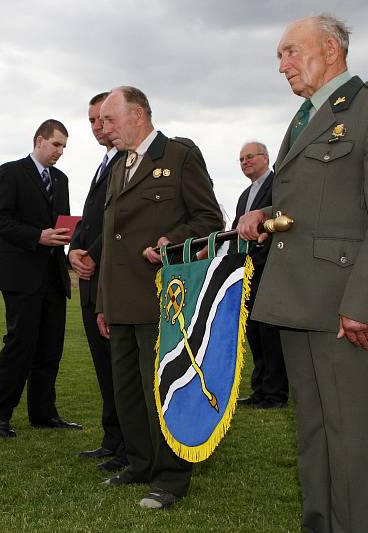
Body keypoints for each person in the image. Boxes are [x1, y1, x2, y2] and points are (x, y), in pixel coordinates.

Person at [237, 14, 368, 533]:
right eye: (279, 56)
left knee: (355, 440)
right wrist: (262, 216)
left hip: (347, 309)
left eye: (290, 52)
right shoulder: (304, 118)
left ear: (332, 50)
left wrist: (365, 303)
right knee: (314, 434)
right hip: (299, 303)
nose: (282, 65)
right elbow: (315, 212)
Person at [96, 86, 223, 509]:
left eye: (111, 120)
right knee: (127, 391)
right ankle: (140, 463)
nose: (104, 128)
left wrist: (174, 241)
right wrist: (103, 303)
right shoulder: (118, 166)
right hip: (120, 300)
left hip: (162, 297)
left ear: (138, 115)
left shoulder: (179, 156)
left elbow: (208, 218)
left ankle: (171, 477)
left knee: (161, 391)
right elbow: (111, 242)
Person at [0, 119, 82, 438]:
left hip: (54, 275)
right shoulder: (10, 172)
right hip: (21, 275)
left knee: (50, 349)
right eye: (56, 145)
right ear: (39, 140)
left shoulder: (61, 179)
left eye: (64, 147)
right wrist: (36, 236)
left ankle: (43, 413)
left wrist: (69, 236)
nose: (60, 152)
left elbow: (60, 223)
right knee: (19, 346)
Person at [69, 92, 127, 471]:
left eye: (103, 119)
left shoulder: (128, 160)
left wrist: (92, 253)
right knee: (104, 369)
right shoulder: (103, 163)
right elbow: (89, 220)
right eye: (91, 121)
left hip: (114, 280)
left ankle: (128, 446)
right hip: (90, 280)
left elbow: (119, 222)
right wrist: (73, 249)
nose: (97, 127)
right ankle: (113, 439)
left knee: (121, 369)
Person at [232, 141, 288, 409]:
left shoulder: (279, 185)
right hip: (249, 270)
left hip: (273, 270)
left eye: (250, 156)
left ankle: (276, 393)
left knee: (271, 333)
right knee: (253, 331)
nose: (245, 162)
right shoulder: (245, 195)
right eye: (241, 159)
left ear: (266, 158)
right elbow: (236, 234)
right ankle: (260, 389)